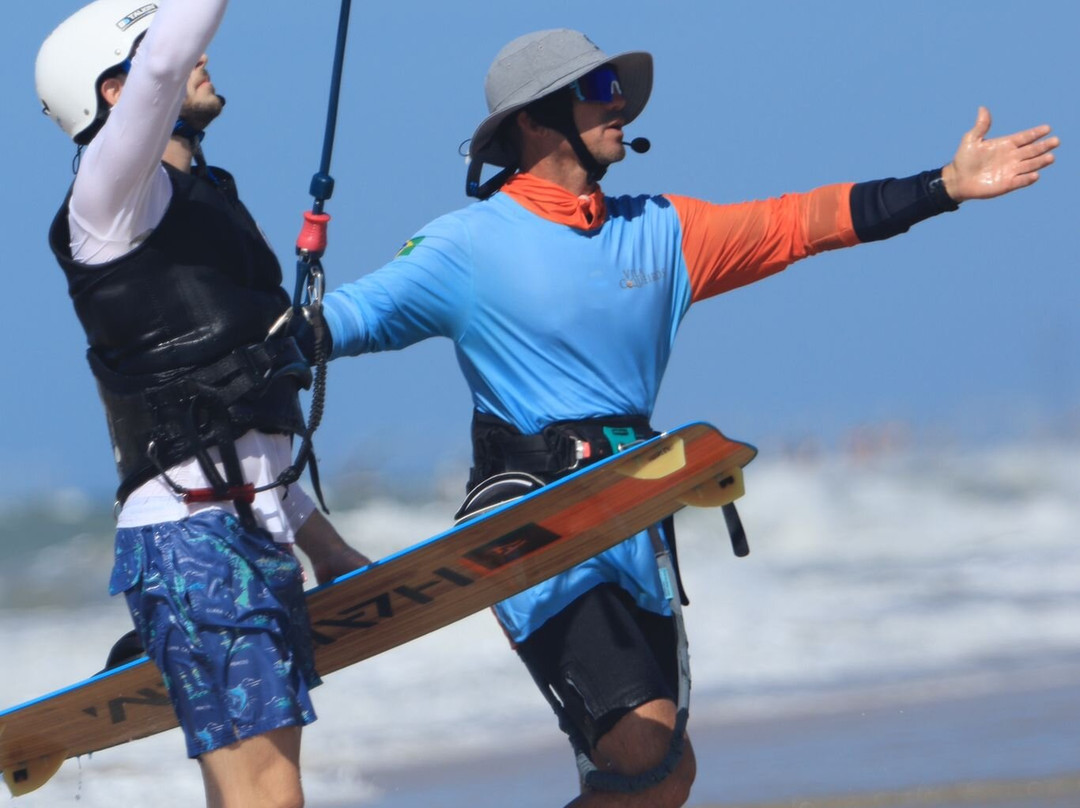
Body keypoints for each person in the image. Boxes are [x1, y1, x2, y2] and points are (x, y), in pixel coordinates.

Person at [315, 29, 1058, 807]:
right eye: (598, 90)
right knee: (640, 740)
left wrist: (941, 184)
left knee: (664, 777)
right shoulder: (465, 246)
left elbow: (799, 223)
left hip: (636, 512)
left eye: (616, 89)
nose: (621, 103)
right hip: (533, 521)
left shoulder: (660, 230)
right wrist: (271, 340)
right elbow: (351, 317)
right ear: (537, 120)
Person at [36, 2, 369, 806]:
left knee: (256, 794)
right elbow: (163, 64)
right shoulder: (109, 203)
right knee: (267, 797)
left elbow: (237, 425)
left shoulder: (207, 199)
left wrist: (322, 547)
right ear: (113, 92)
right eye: (162, 55)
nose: (199, 58)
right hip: (191, 547)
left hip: (246, 534)